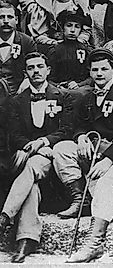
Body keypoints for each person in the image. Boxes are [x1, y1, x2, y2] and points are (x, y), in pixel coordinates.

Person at [55, 48, 113, 262]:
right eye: (95, 69)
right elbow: (77, 125)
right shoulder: (86, 95)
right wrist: (81, 137)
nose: (99, 73)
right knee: (61, 149)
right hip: (93, 151)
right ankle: (80, 199)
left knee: (106, 182)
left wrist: (109, 160)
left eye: (104, 68)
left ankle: (94, 241)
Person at [0, 51, 71, 263]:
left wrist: (43, 142)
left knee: (31, 166)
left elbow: (67, 130)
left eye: (40, 66)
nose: (36, 71)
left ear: (48, 70)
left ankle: (4, 217)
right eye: (31, 68)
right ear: (25, 73)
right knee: (31, 183)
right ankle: (26, 240)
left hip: (54, 156)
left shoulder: (63, 95)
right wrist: (34, 148)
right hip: (32, 158)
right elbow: (14, 135)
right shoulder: (16, 101)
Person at [0, 2, 38, 97]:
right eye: (1, 17)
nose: (5, 21)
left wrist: (27, 80)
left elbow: (34, 65)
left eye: (10, 17)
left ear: (16, 20)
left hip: (18, 92)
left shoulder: (26, 41)